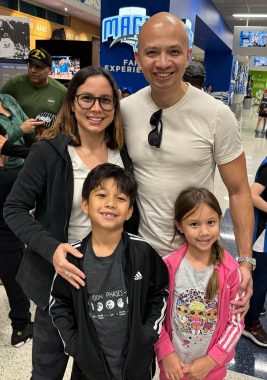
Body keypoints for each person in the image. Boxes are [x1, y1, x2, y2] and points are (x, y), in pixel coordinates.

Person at [4, 66, 139, 379]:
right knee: (48, 368)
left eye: (106, 101)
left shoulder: (123, 154)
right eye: (87, 99)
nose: (96, 108)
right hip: (57, 281)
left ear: (115, 106)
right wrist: (52, 249)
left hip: (108, 283)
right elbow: (14, 208)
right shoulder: (48, 152)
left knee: (94, 368)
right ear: (72, 102)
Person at [121, 12, 254, 315]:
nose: (163, 62)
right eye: (152, 52)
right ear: (137, 57)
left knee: (188, 349)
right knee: (140, 351)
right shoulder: (125, 111)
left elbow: (239, 191)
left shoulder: (217, 116)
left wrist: (245, 261)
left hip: (196, 258)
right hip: (140, 257)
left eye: (174, 51)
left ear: (189, 55)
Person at [49, 163, 169, 380]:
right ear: (85, 204)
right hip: (89, 369)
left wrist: (149, 333)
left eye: (121, 198)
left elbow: (160, 292)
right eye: (102, 195)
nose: (111, 204)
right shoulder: (72, 260)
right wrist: (75, 345)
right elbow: (59, 303)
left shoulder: (142, 253)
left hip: (136, 367)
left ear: (130, 211)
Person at [155, 187, 244, 380]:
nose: (204, 232)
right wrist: (165, 352)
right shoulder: (167, 266)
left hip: (211, 369)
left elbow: (235, 323)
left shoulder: (231, 271)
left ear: (220, 220)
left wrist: (213, 359)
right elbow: (154, 314)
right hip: (173, 367)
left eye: (210, 222)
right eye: (194, 224)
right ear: (179, 225)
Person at [0, 125, 32, 348]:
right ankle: (21, 329)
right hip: (7, 244)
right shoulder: (10, 178)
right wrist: (11, 148)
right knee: (14, 285)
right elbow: (43, 156)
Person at [1, 47, 67, 118]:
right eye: (30, 65)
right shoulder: (14, 83)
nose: (33, 70)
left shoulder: (61, 92)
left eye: (38, 67)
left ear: (49, 70)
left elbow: (66, 120)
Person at [243, 157, 267, 347]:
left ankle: (255, 308)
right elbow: (252, 195)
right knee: (260, 280)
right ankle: (249, 322)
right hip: (262, 238)